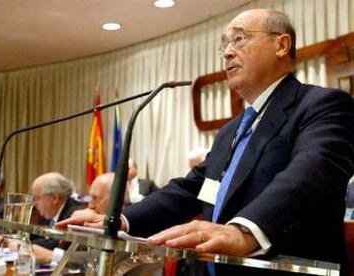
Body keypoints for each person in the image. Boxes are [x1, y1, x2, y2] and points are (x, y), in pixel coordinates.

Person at [58, 8, 354, 275]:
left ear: (281, 45)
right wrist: (120, 221)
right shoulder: (231, 130)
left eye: (239, 39)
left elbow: (310, 173)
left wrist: (245, 231)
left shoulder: (322, 105)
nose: (227, 52)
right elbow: (191, 189)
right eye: (224, 45)